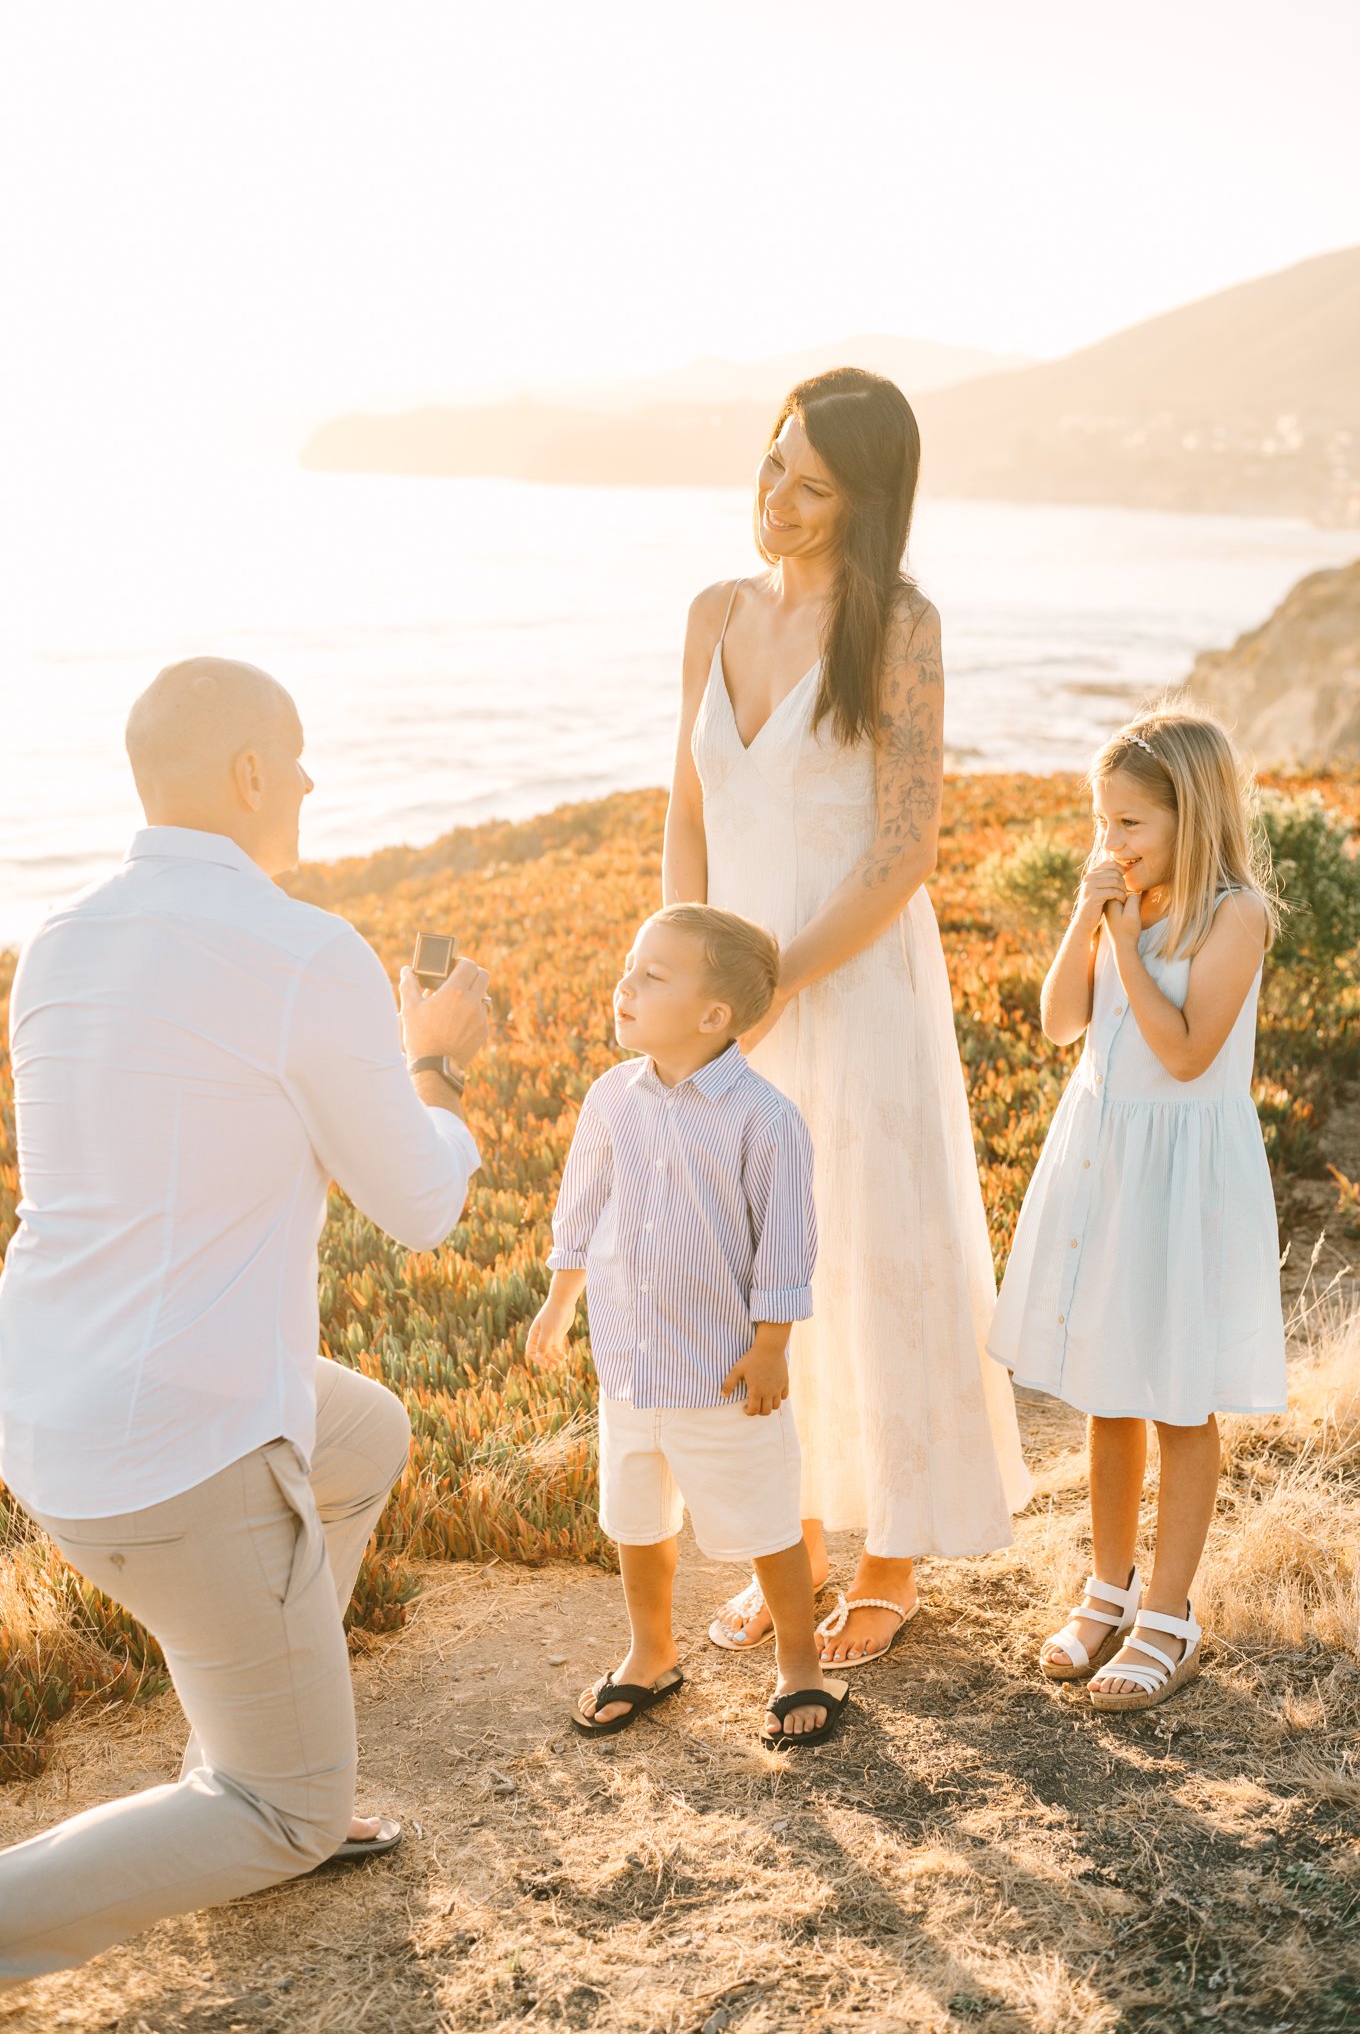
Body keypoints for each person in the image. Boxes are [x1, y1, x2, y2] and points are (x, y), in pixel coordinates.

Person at [0, 657, 490, 1986]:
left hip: (48, 1407)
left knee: (365, 1433)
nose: (315, 783)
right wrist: (433, 1064)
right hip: (182, 1448)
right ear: (253, 776)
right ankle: (261, 1795)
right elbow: (421, 1205)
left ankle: (246, 1736)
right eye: (300, 757)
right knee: (293, 1814)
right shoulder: (302, 949)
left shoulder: (59, 940)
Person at [664, 368, 1031, 1670]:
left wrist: (777, 981)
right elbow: (689, 818)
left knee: (865, 1254)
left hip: (848, 978)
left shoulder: (899, 627)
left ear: (865, 502)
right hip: (725, 999)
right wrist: (684, 978)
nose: (775, 500)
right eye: (770, 465)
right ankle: (794, 1543)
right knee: (760, 1269)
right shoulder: (712, 612)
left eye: (809, 487)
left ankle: (887, 1554)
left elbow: (903, 845)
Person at [987, 706, 1286, 1711]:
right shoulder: (1118, 903)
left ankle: (1168, 1608)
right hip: (1106, 1158)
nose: (1108, 844)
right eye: (1100, 823)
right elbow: (1059, 1022)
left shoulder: (1232, 913)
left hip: (1183, 1173)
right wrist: (1088, 914)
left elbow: (1186, 1049)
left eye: (1129, 826)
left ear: (1190, 819)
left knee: (1175, 1396)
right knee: (1108, 1388)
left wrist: (1122, 939)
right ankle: (1105, 1585)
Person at [526, 904, 849, 1747]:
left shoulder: (762, 1118)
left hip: (720, 1374)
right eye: (629, 968)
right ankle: (649, 1651)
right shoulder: (610, 1098)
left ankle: (799, 1662)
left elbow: (783, 1242)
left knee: (766, 1524)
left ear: (714, 1016)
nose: (623, 987)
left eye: (651, 977)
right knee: (636, 1520)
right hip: (631, 1368)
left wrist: (770, 1345)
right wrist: (560, 1301)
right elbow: (582, 1205)